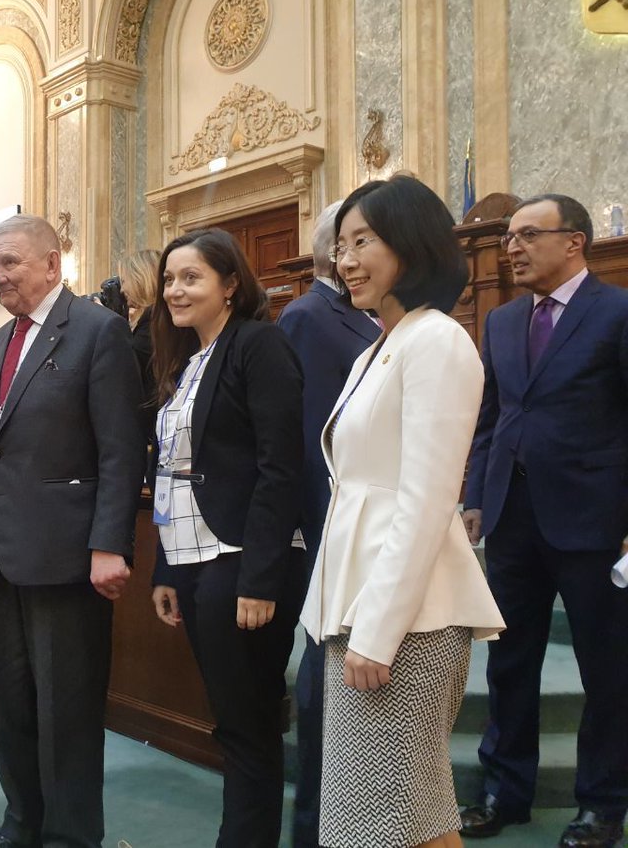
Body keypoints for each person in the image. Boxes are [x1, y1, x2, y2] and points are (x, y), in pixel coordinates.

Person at [299, 176, 505, 848]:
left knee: (383, 821)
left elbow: (427, 498)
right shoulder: (379, 346)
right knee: (403, 817)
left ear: (411, 247)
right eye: (342, 246)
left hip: (405, 619)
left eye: (364, 242)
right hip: (363, 604)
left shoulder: (437, 340)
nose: (346, 260)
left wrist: (378, 628)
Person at [0, 214, 145, 848]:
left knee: (66, 712)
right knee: (7, 704)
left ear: (52, 264)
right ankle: (23, 821)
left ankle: (69, 837)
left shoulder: (97, 330)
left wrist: (109, 543)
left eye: (10, 262)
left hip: (67, 557)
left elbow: (120, 449)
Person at [459, 194, 628, 848]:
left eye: (529, 235)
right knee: (509, 662)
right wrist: (477, 496)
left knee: (607, 671)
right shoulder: (503, 321)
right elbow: (492, 418)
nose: (513, 248)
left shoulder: (616, 312)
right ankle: (505, 791)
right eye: (511, 237)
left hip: (594, 521)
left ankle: (602, 806)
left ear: (574, 242)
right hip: (512, 519)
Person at [147, 229, 304, 847]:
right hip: (193, 557)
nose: (175, 291)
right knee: (232, 717)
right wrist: (166, 568)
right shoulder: (188, 361)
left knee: (248, 720)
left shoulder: (258, 344)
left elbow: (280, 466)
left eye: (192, 278)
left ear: (231, 284)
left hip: (242, 557)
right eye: (169, 279)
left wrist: (260, 578)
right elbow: (173, 473)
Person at [275, 200, 380, 847]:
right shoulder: (309, 316)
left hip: (365, 525)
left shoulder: (364, 315)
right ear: (332, 250)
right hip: (332, 525)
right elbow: (312, 437)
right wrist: (326, 531)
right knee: (324, 679)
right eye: (354, 241)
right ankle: (315, 828)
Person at [119, 249, 162, 408]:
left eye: (124, 281)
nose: (122, 290)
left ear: (141, 279)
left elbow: (125, 370)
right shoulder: (156, 319)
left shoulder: (151, 325)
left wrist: (108, 323)